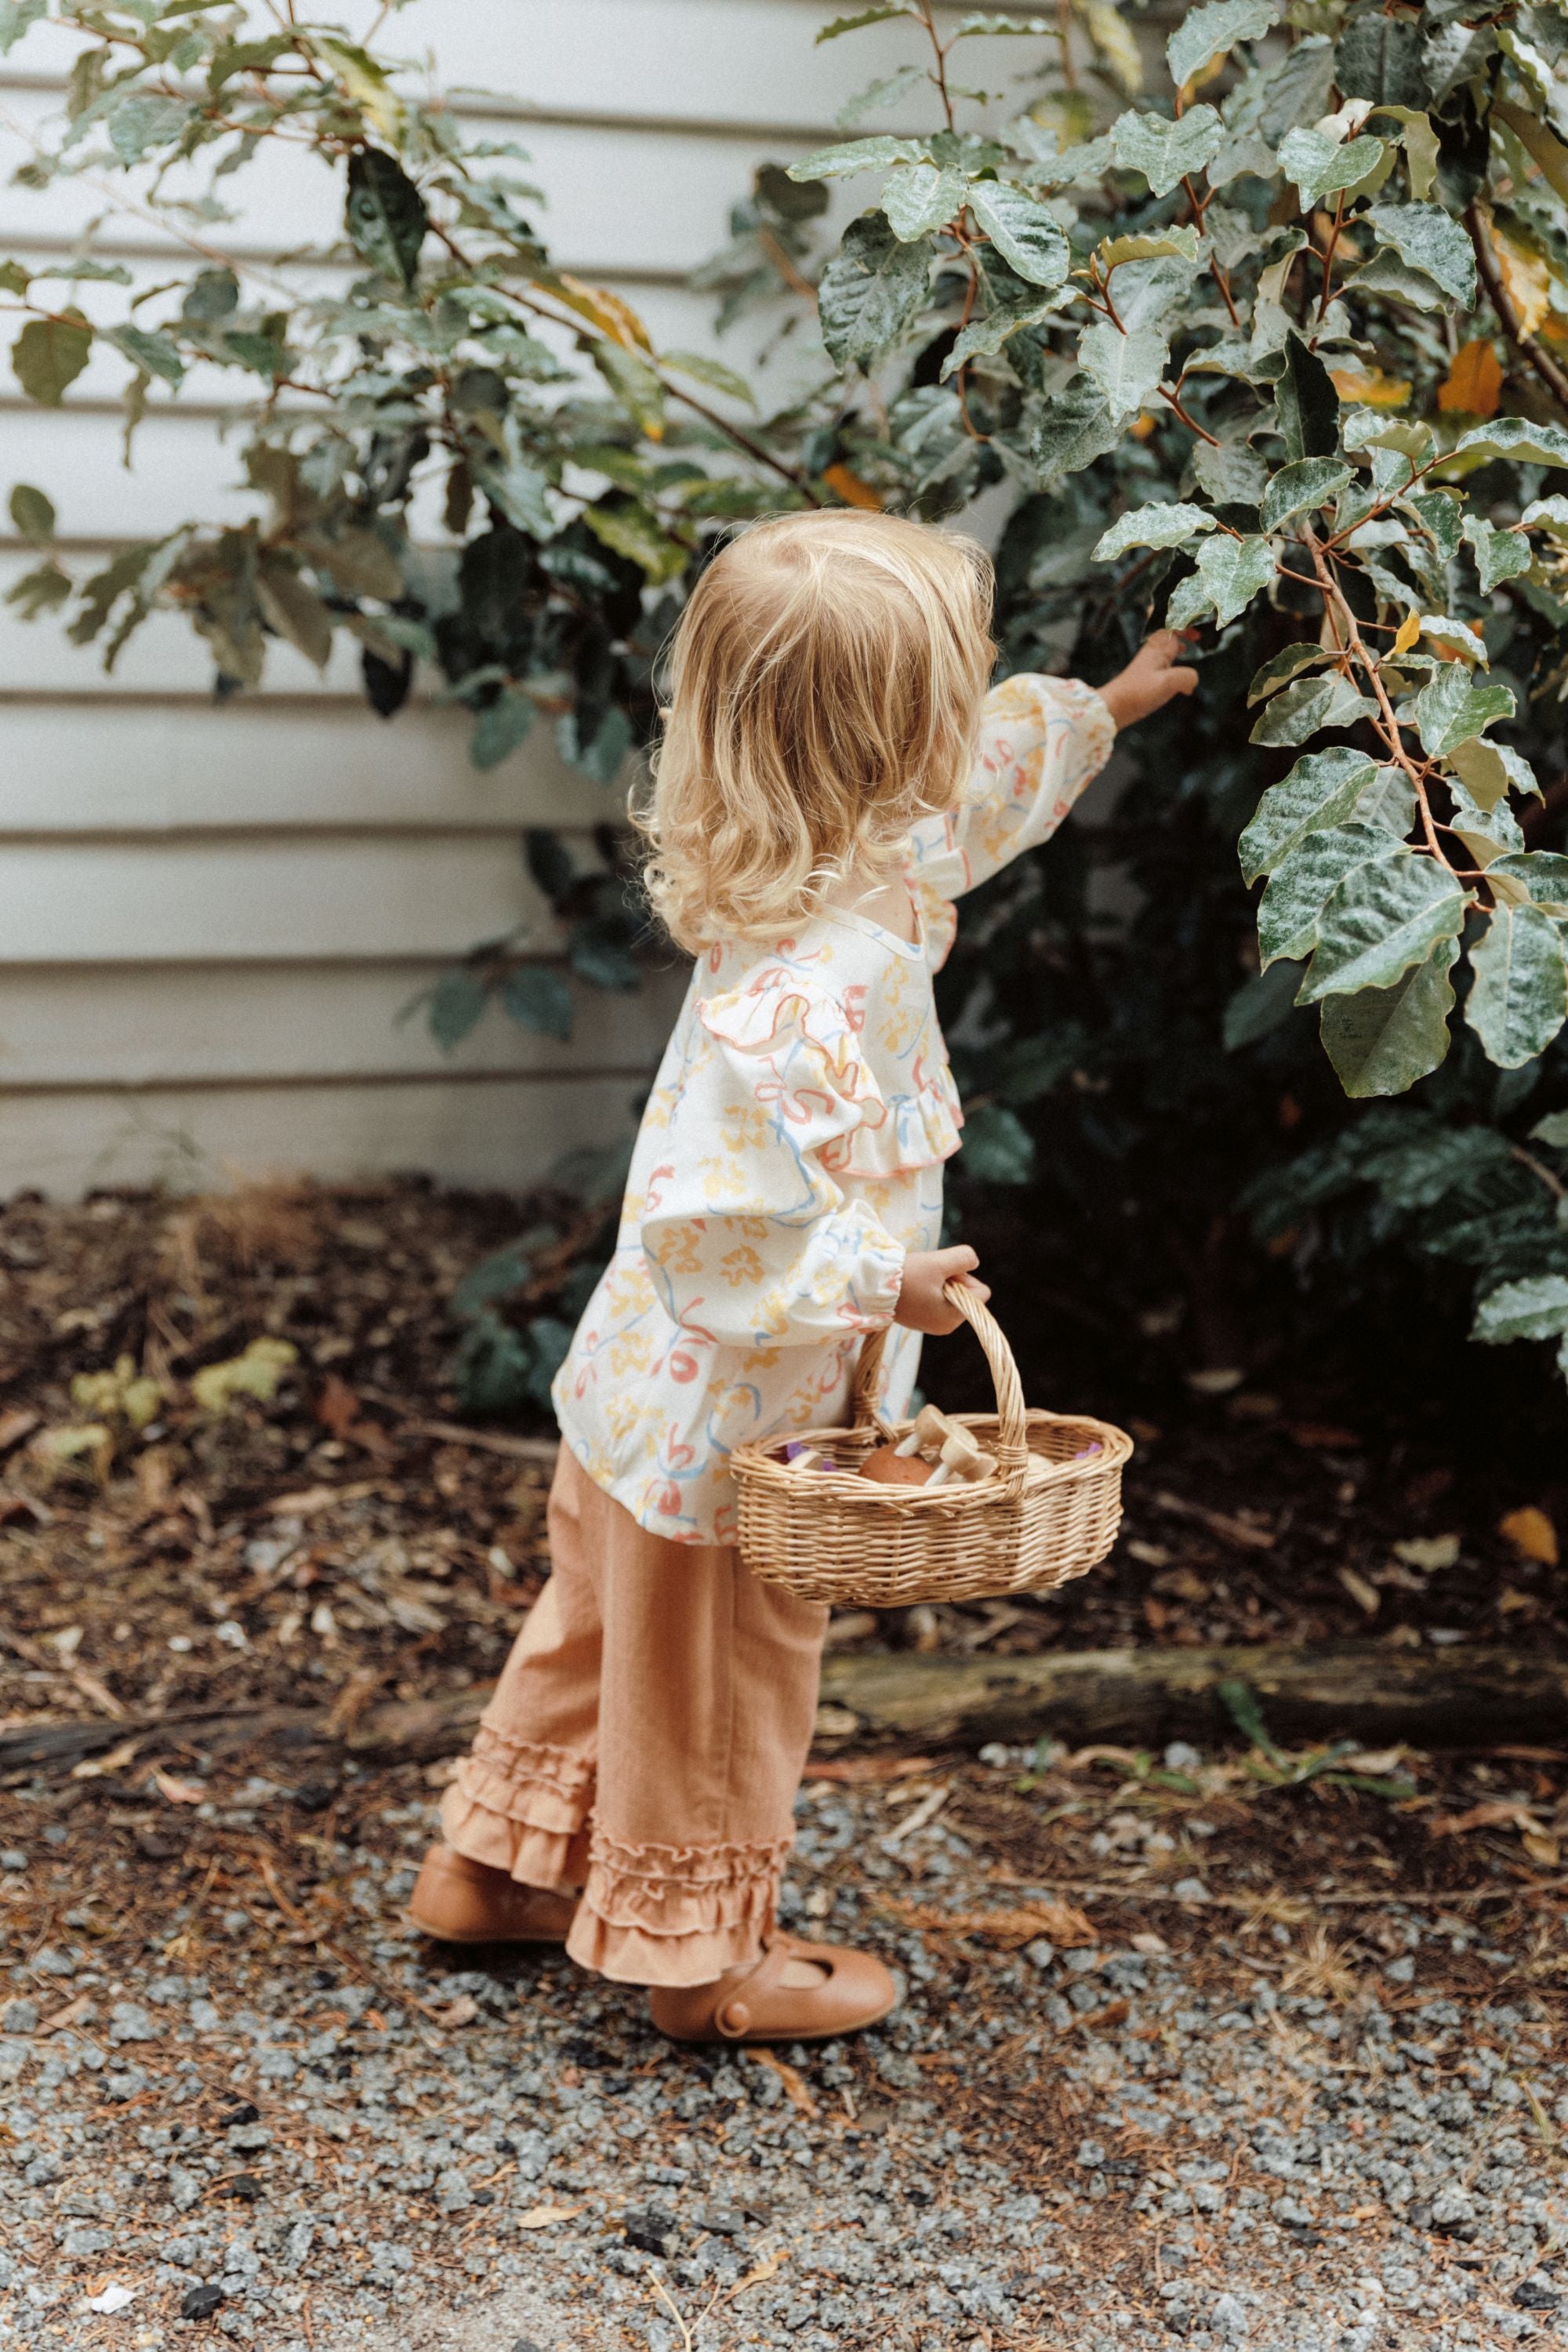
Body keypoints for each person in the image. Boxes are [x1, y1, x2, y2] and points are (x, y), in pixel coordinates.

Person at [409, 510, 1196, 2042]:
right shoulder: (813, 980)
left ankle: (492, 1874)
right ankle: (702, 1965)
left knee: (598, 1641)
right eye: (957, 690)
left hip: (641, 1402)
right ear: (893, 740)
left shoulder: (816, 850)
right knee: (713, 1691)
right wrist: (875, 1280)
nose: (973, 717)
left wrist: (1099, 707)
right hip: (732, 1428)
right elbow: (713, 1217)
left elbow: (961, 808)